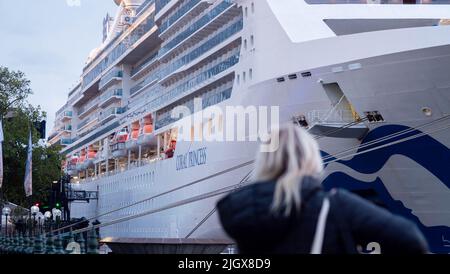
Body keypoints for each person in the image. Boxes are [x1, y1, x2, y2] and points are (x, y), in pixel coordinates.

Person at [217, 124, 428, 254]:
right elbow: (410, 239)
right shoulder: (335, 206)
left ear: (263, 160)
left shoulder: (238, 212)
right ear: (311, 157)